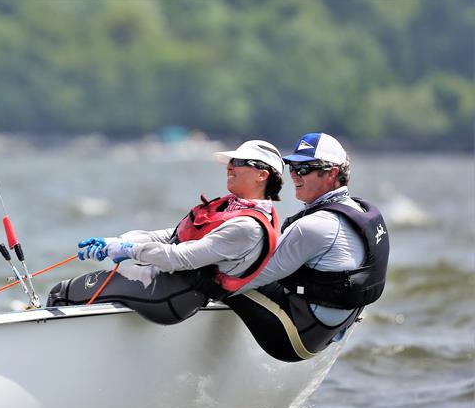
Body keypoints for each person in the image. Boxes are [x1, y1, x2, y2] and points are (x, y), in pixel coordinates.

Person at [46, 140, 285, 324]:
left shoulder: (247, 227)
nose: (230, 166)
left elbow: (178, 257)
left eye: (240, 163)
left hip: (171, 294)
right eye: (231, 161)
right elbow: (172, 236)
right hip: (166, 283)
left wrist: (127, 250)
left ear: (262, 175)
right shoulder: (231, 206)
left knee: (61, 293)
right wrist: (119, 241)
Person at [224, 133, 390, 362]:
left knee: (217, 276)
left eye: (304, 168)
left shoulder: (314, 226)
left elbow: (244, 278)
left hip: (294, 340)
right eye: (291, 166)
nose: (293, 175)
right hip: (330, 328)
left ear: (332, 173)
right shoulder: (359, 209)